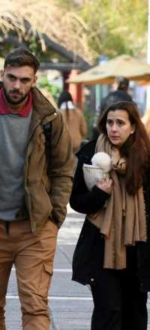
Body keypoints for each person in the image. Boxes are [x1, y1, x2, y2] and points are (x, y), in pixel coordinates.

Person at [69, 101, 150, 329]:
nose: (114, 129)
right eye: (109, 123)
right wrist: (99, 194)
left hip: (139, 250)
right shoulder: (91, 154)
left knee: (135, 313)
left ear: (133, 127)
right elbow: (76, 201)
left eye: (120, 123)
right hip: (101, 249)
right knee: (108, 312)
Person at [0, 48, 75, 330]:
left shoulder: (49, 119)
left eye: (24, 80)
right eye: (11, 78)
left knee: (34, 307)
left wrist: (54, 218)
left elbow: (64, 169)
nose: (16, 85)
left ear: (34, 81)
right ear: (2, 75)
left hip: (35, 228)